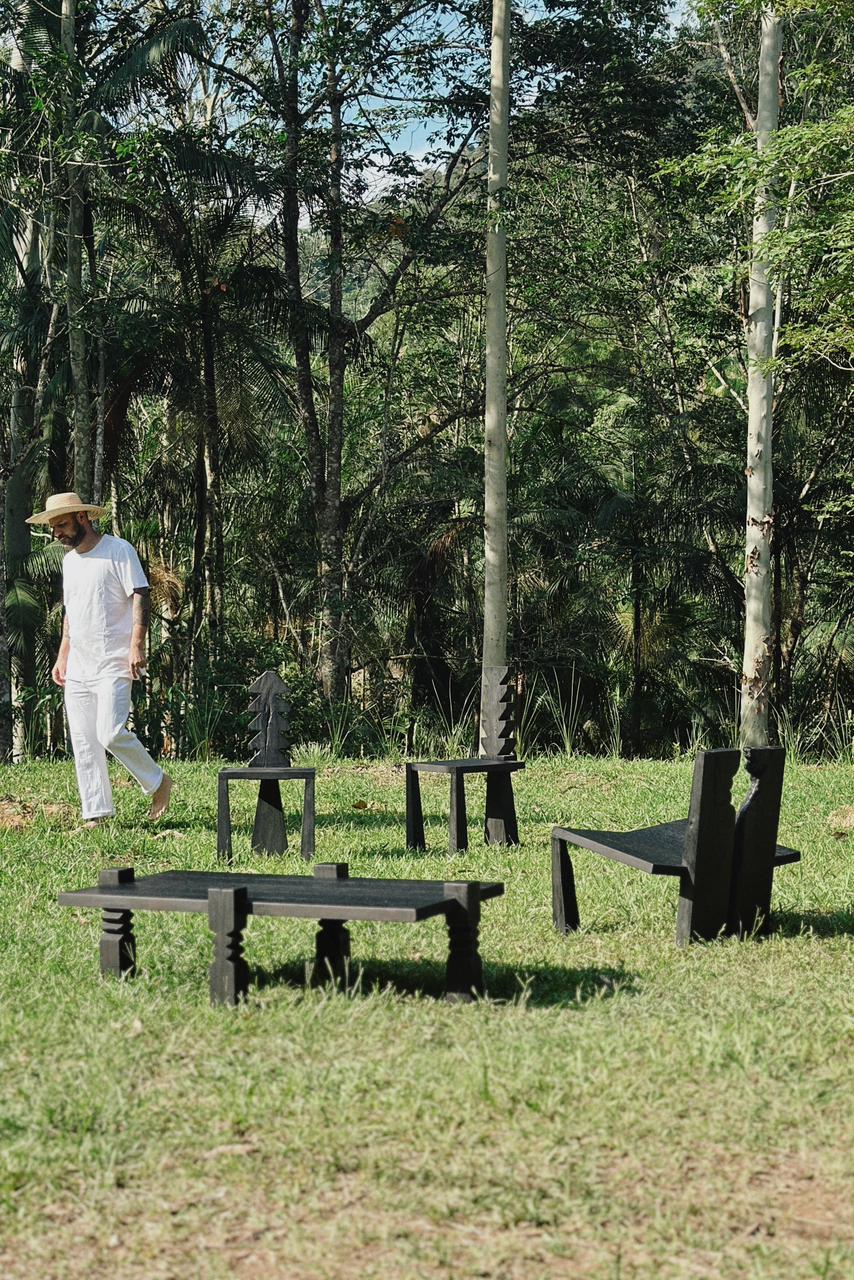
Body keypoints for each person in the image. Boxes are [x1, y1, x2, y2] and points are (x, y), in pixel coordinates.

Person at [26, 491, 173, 828]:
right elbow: (71, 610)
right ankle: (96, 813)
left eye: (61, 525)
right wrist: (64, 654)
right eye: (53, 528)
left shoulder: (118, 550)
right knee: (83, 740)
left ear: (82, 518)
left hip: (114, 661)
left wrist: (137, 645)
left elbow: (140, 593)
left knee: (109, 733)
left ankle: (158, 781)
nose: (57, 533)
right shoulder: (69, 561)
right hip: (79, 664)